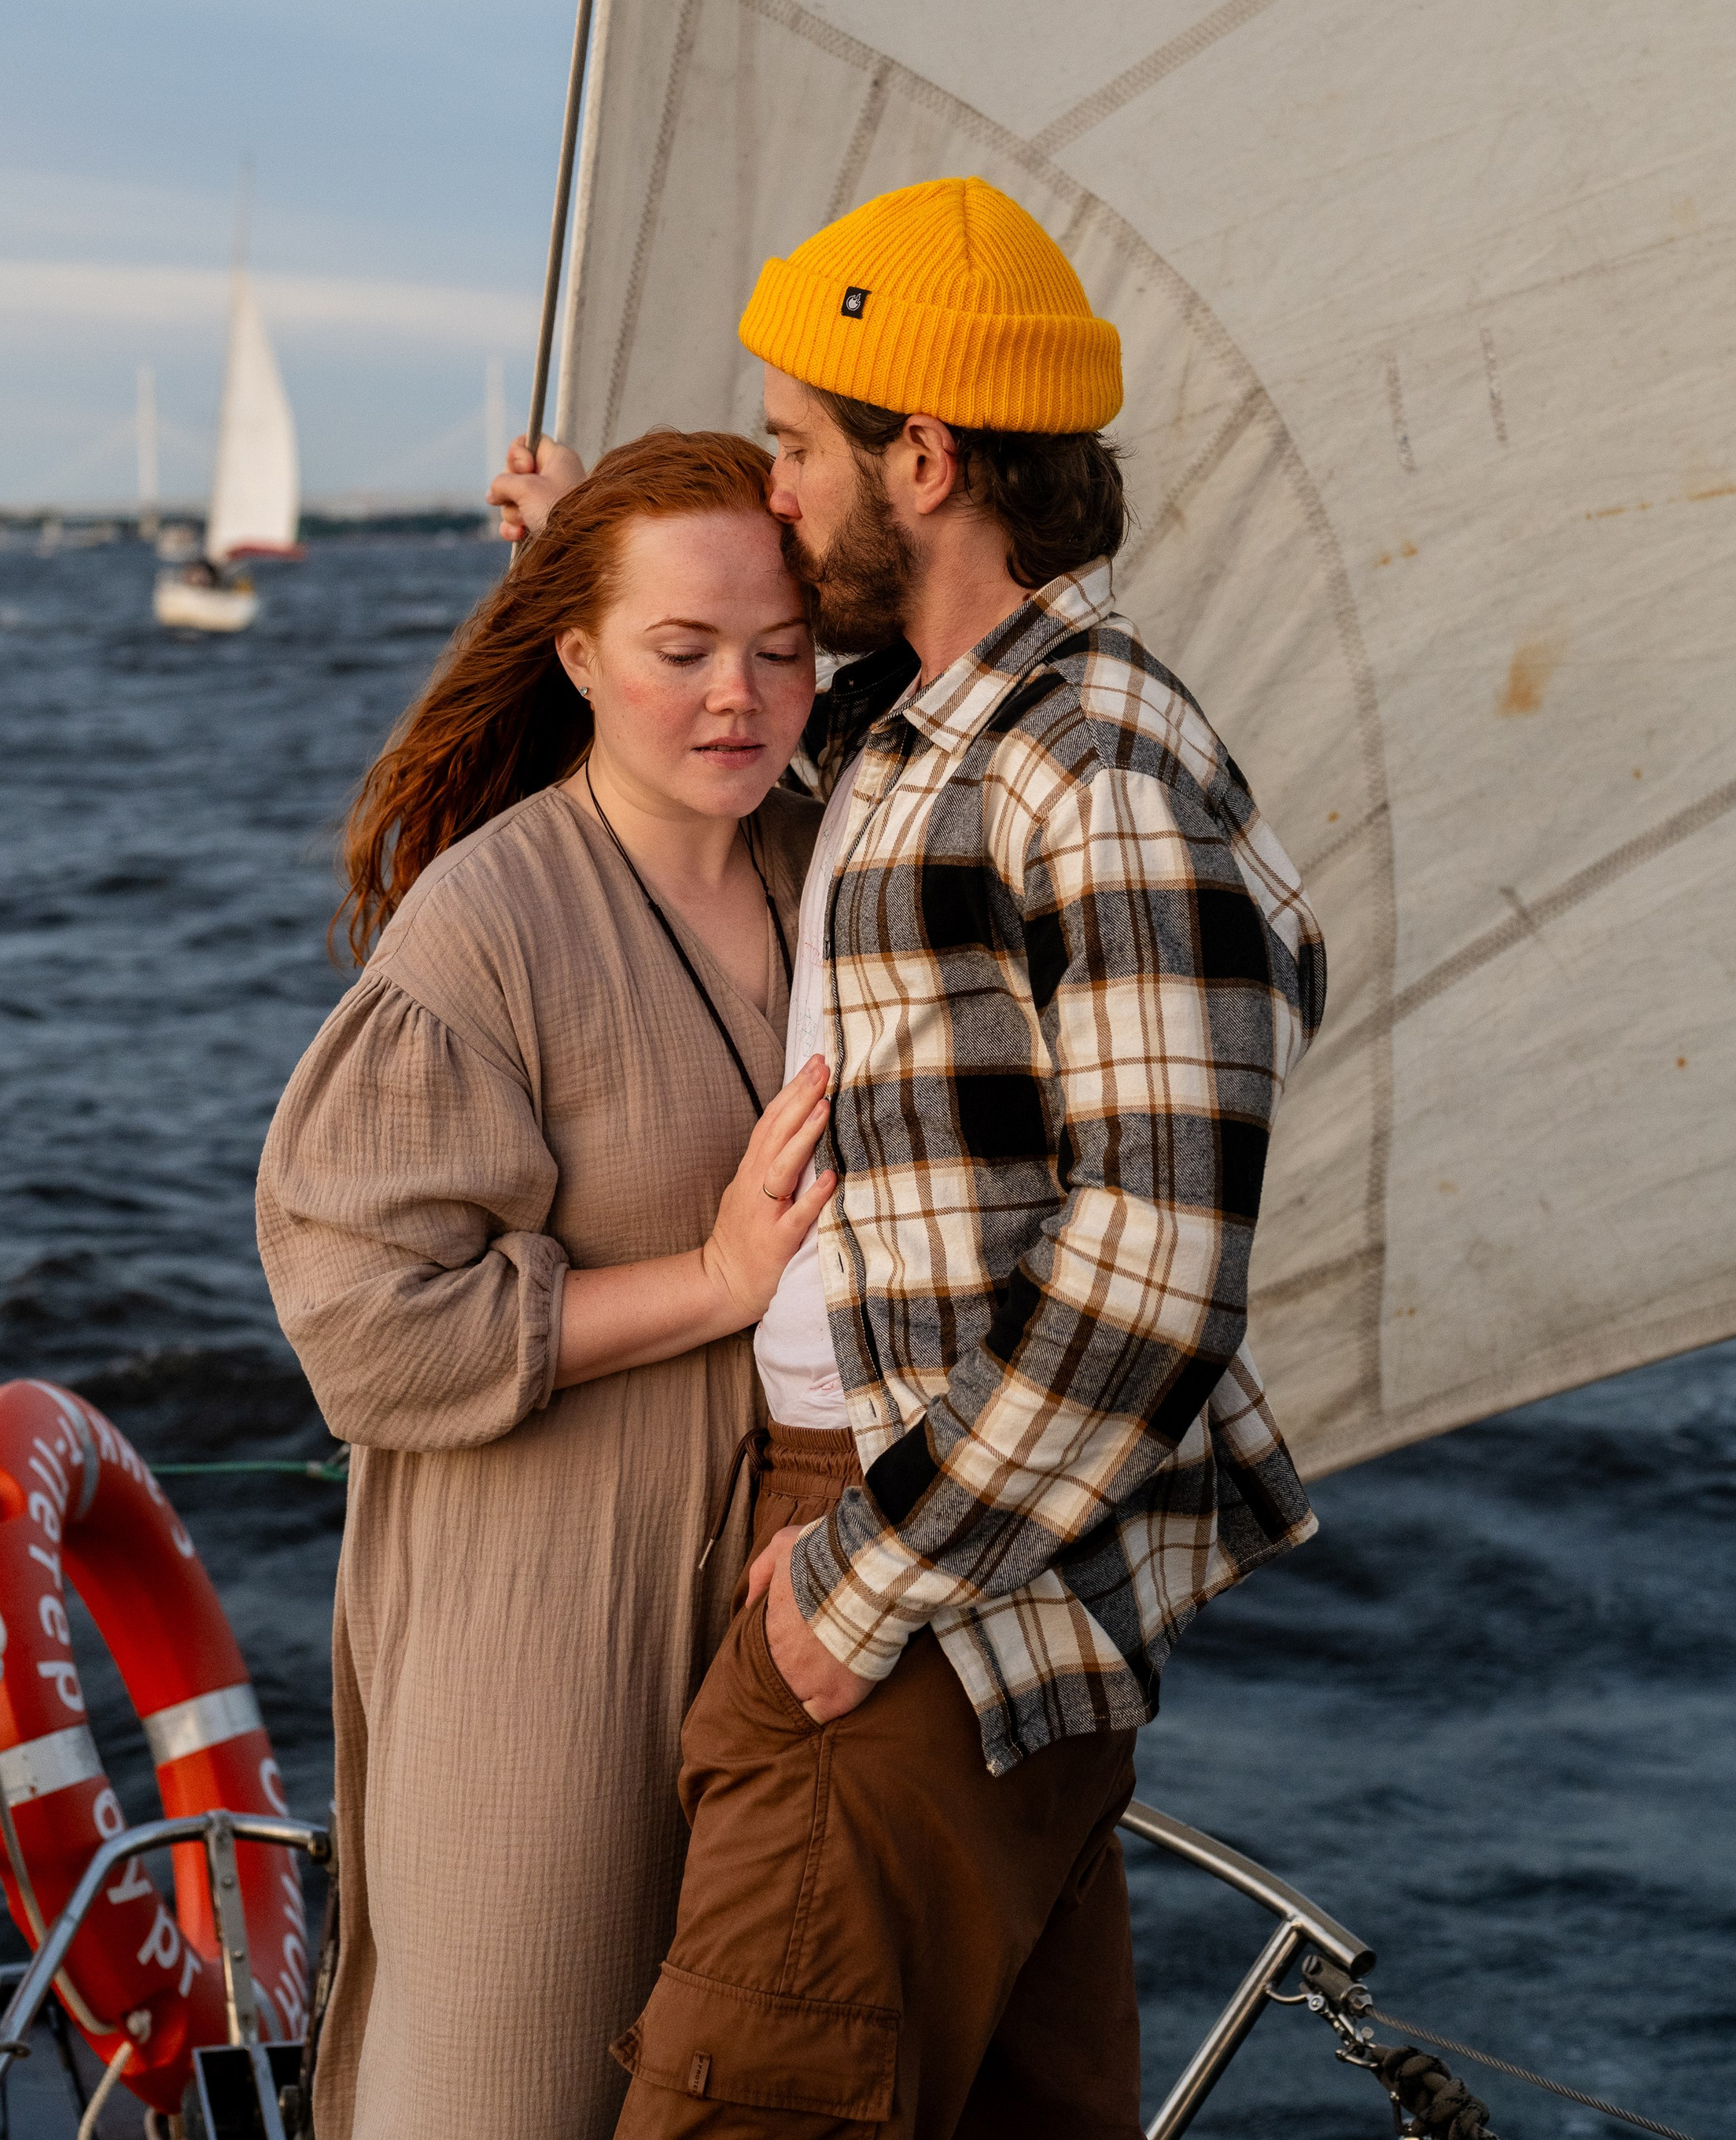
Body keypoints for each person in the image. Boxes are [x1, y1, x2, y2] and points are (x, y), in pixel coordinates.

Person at [495, 177, 1326, 2140]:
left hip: (924, 1568)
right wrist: (587, 557)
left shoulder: (1096, 775)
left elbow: (1153, 1280)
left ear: (924, 460)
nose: (775, 491)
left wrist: (861, 1582)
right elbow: (742, 720)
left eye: (795, 448)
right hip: (953, 1558)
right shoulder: (928, 731)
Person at [256, 431, 839, 2140]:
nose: (737, 695)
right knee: (509, 2089)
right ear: (576, 653)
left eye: (781, 649)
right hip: (540, 1634)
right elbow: (367, 1328)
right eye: (680, 648)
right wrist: (716, 1276)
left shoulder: (826, 859)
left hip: (780, 1614)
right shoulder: (487, 922)